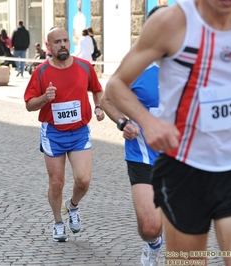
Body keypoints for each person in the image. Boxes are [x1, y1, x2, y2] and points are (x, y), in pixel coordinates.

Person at [103, 0, 231, 265]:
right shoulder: (171, 21)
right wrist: (149, 122)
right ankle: (153, 245)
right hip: (185, 169)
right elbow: (115, 86)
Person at [24, 28, 105, 242]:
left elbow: (97, 89)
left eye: (66, 40)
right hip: (53, 133)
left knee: (83, 180)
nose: (63, 45)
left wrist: (98, 106)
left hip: (79, 132)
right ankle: (58, 221)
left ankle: (72, 205)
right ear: (48, 47)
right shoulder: (41, 72)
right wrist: (44, 98)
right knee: (57, 183)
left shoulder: (85, 67)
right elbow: (29, 105)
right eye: (57, 42)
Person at [101, 6, 166, 266]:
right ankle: (153, 244)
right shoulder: (136, 66)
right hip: (144, 156)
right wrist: (122, 122)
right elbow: (107, 99)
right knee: (150, 227)